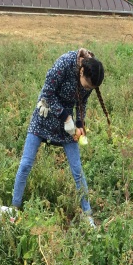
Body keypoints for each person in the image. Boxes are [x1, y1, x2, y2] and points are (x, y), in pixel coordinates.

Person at [11, 48, 108, 227]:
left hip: (67, 127)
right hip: (44, 116)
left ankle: (88, 215)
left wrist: (79, 124)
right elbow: (46, 94)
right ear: (81, 71)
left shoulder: (91, 77)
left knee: (77, 170)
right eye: (86, 86)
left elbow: (82, 102)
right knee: (25, 164)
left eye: (90, 88)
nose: (87, 89)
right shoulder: (64, 64)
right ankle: (13, 209)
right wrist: (66, 116)